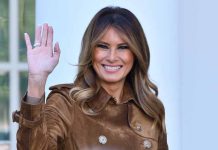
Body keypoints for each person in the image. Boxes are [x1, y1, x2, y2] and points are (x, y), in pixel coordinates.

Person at [12, 6, 168, 150]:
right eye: (103, 46)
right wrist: (36, 81)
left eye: (123, 47)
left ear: (136, 53)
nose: (112, 57)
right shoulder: (67, 103)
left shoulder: (150, 110)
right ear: (90, 51)